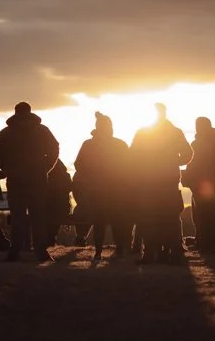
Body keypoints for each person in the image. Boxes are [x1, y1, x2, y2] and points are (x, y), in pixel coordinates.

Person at [0, 101, 60, 262]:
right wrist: (45, 167)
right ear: (30, 112)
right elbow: (54, 149)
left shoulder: (6, 133)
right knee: (38, 216)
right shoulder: (42, 131)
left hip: (16, 180)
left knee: (17, 217)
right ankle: (41, 251)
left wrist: (7, 168)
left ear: (15, 112)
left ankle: (15, 251)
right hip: (37, 179)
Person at [129, 103, 192, 265]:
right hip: (166, 181)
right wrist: (175, 162)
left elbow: (132, 155)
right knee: (168, 217)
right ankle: (174, 252)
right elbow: (187, 153)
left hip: (150, 182)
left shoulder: (143, 133)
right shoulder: (174, 132)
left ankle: (153, 253)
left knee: (151, 217)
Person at [74, 112, 130, 258]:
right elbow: (130, 166)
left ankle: (98, 251)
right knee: (117, 221)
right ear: (110, 128)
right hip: (116, 190)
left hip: (95, 190)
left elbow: (78, 164)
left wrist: (89, 178)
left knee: (99, 222)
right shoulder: (120, 144)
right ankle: (120, 250)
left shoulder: (88, 144)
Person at [184, 116, 215, 254]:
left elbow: (192, 165)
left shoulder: (196, 144)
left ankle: (204, 243)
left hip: (199, 185)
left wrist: (188, 178)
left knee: (200, 215)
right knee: (214, 214)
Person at [44, 159, 74, 247]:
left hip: (48, 208)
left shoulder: (45, 176)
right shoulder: (65, 176)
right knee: (55, 214)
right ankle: (51, 237)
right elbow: (69, 188)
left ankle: (50, 238)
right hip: (63, 208)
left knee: (49, 213)